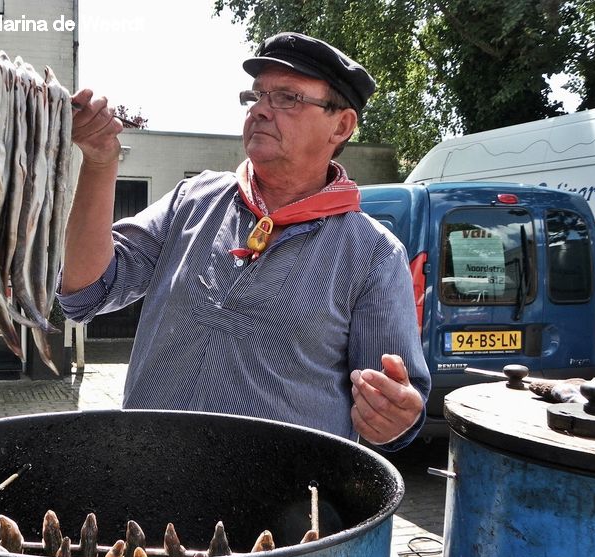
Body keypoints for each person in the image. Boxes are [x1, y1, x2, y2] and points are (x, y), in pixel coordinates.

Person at [58, 32, 430, 450]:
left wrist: (394, 416)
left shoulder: (374, 255)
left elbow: (396, 408)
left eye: (287, 97)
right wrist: (100, 161)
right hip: (152, 480)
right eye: (256, 96)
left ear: (341, 125)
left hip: (282, 503)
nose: (261, 111)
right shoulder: (192, 200)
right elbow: (86, 292)